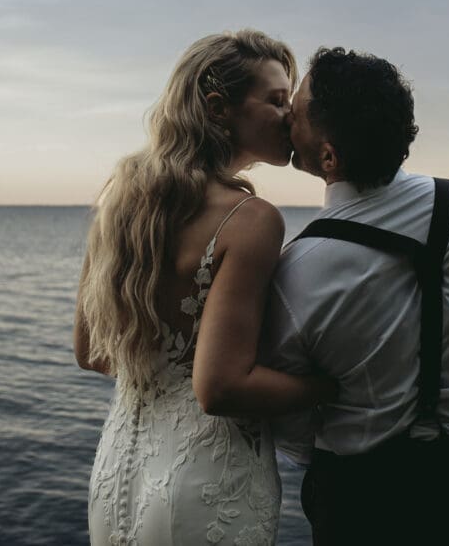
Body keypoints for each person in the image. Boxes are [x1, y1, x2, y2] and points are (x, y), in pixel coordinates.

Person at [74, 30, 335, 546]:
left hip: (117, 476)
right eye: (276, 101)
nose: (291, 117)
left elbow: (91, 353)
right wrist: (330, 387)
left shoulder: (119, 203)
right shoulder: (250, 219)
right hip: (208, 482)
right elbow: (222, 387)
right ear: (219, 107)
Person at [265, 47, 449, 545]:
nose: (286, 114)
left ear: (329, 156)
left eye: (296, 107)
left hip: (358, 500)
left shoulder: (297, 270)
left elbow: (292, 426)